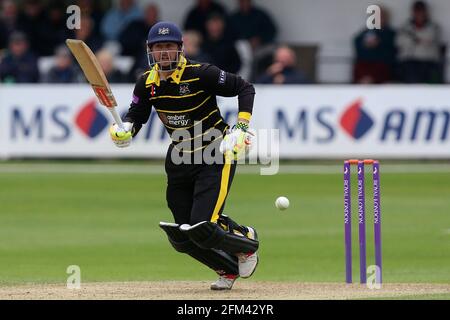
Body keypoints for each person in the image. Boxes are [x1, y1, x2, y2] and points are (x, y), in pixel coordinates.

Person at [109, 21, 259, 290]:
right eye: (158, 47)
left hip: (214, 151)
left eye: (169, 46)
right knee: (183, 235)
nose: (164, 53)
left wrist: (241, 126)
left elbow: (245, 88)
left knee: (203, 225)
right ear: (150, 51)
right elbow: (137, 113)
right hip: (179, 158)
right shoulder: (146, 82)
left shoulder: (201, 73)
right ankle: (226, 269)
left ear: (180, 49)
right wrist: (127, 127)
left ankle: (247, 241)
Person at [396, 1, 442, 83]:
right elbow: (400, 42)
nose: (419, 14)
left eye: (421, 11)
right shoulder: (405, 26)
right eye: (417, 11)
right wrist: (418, 40)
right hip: (409, 61)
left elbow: (429, 40)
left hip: (428, 61)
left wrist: (414, 39)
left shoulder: (433, 26)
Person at [353, 7, 396, 84]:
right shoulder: (366, 32)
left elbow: (390, 53)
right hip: (366, 65)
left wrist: (379, 44)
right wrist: (366, 45)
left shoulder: (390, 33)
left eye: (380, 16)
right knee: (361, 66)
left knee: (381, 67)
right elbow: (357, 44)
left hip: (382, 65)